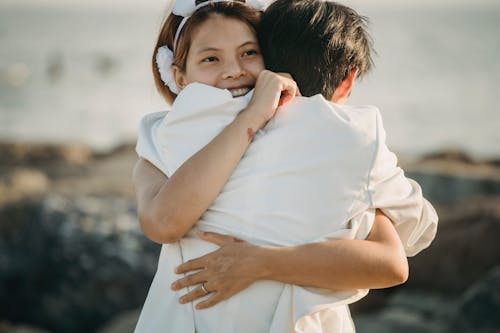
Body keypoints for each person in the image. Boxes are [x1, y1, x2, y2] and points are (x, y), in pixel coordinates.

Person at [133, 1, 438, 332]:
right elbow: (163, 223)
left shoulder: (324, 145)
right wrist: (252, 116)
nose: (234, 70)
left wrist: (260, 262)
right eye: (210, 58)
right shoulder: (164, 142)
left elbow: (389, 262)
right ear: (178, 75)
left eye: (249, 52)